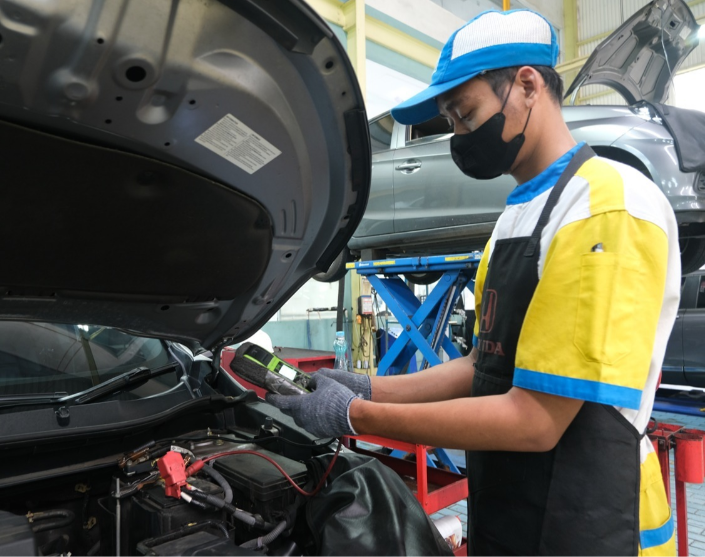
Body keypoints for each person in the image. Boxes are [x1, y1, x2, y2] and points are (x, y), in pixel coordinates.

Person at [267, 9, 680, 557]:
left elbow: (536, 419)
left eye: (465, 115)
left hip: (597, 524)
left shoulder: (607, 206)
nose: (460, 136)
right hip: (511, 508)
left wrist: (355, 415)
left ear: (528, 84)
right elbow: (485, 365)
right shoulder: (514, 219)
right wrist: (369, 386)